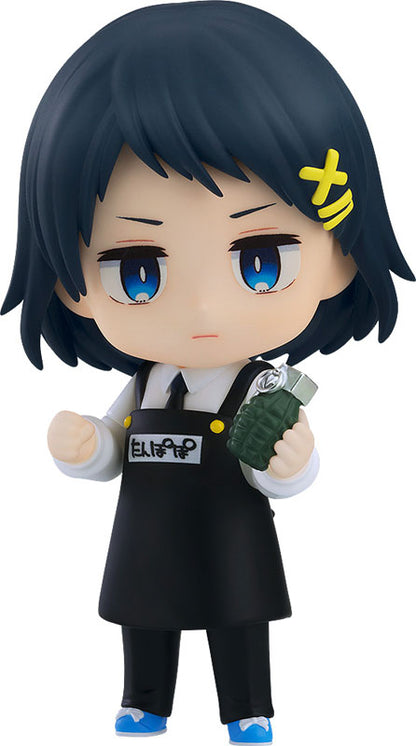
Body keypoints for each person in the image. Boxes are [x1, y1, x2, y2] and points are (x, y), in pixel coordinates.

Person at [2, 2, 412, 743]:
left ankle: (248, 708)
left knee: (239, 621)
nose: (201, 307)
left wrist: (292, 463)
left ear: (339, 256)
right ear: (71, 284)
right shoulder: (146, 387)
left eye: (260, 260)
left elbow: (284, 473)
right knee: (143, 618)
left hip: (232, 540)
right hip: (146, 538)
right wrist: (88, 446)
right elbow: (114, 444)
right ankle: (144, 700)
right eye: (136, 269)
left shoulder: (265, 389)